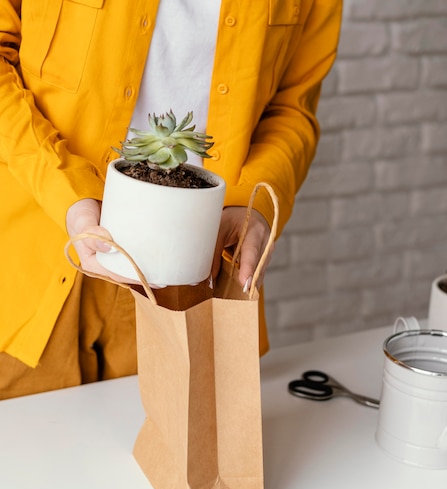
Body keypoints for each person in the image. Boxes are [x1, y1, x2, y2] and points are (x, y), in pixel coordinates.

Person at [0, 0, 342, 399]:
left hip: (196, 270)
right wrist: (67, 191)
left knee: (175, 449)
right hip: (29, 260)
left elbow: (293, 108)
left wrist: (254, 204)